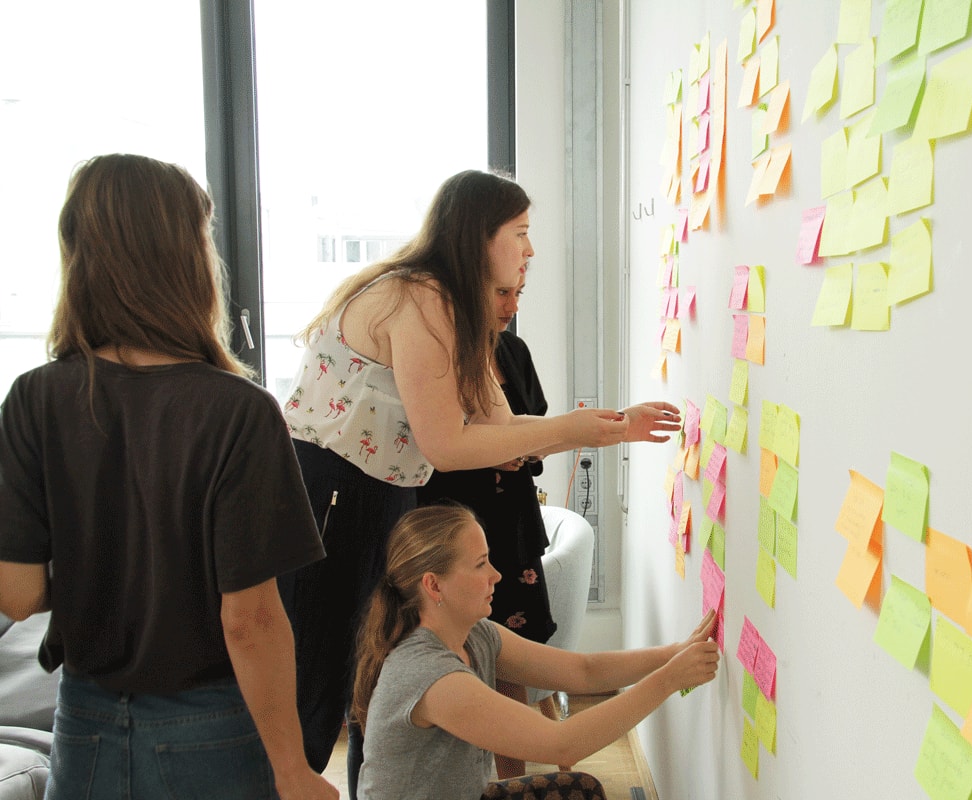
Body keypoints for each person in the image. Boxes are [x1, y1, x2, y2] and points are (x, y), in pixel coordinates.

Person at [279, 169, 681, 796]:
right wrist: (573, 431)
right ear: (477, 237)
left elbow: (498, 422)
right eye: (519, 233)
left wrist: (613, 426)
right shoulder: (422, 298)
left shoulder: (456, 310)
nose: (530, 251)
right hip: (332, 493)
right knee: (323, 682)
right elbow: (447, 444)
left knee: (374, 670)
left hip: (382, 490)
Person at [0, 154, 336, 799]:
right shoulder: (238, 410)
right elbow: (251, 619)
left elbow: (16, 595)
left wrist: (100, 566)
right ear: (186, 256)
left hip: (85, 722)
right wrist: (293, 770)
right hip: (210, 726)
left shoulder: (32, 398)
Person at [351, 504, 720, 800]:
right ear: (434, 585)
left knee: (581, 790)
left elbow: (584, 671)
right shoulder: (429, 676)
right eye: (480, 564)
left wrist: (673, 652)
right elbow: (563, 745)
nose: (496, 575)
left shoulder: (476, 635)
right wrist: (669, 680)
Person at [416, 270, 555, 779]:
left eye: (519, 293)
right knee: (453, 654)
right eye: (501, 292)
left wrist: (523, 451)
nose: (510, 305)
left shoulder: (514, 352)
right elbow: (435, 444)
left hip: (512, 529)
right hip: (454, 526)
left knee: (512, 658)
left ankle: (513, 784)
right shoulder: (436, 353)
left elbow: (539, 426)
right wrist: (496, 450)